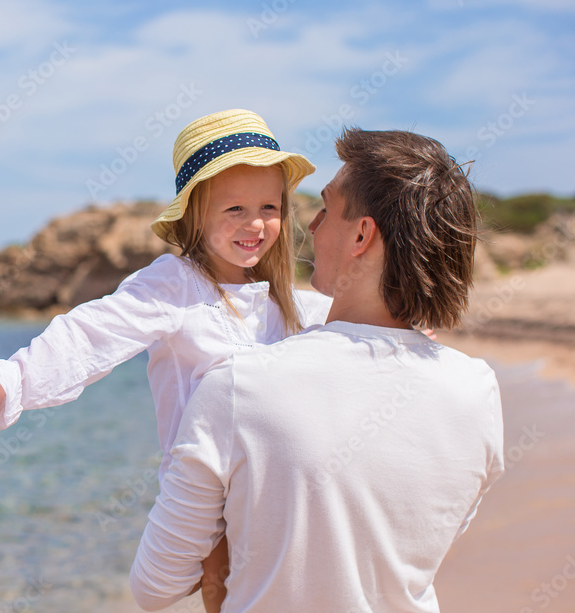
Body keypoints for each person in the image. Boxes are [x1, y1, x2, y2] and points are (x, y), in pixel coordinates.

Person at [0, 109, 332, 611]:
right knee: (159, 590)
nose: (255, 224)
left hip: (267, 489)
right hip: (202, 490)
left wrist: (395, 325)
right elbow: (89, 333)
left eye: (269, 207)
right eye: (234, 209)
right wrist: (4, 384)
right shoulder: (175, 283)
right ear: (194, 216)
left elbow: (334, 323)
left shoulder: (285, 300)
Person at [129, 127, 506, 612]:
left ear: (362, 235)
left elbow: (155, 587)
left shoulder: (237, 386)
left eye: (326, 209)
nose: (311, 226)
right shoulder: (477, 391)